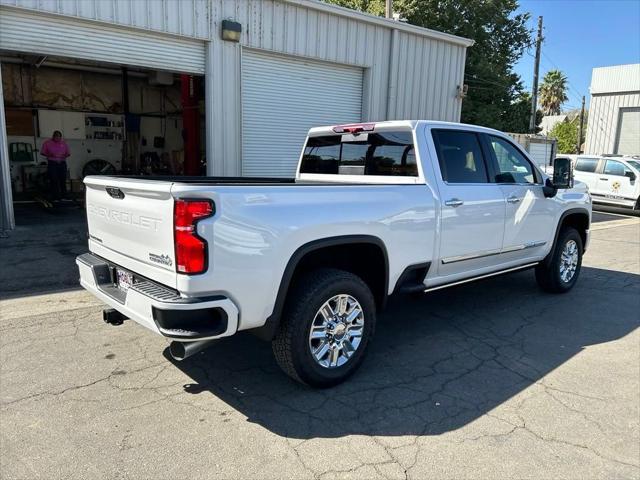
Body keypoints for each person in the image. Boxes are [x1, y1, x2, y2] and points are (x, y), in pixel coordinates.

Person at [40, 130, 71, 201]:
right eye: (56, 136)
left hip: (62, 163)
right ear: (53, 136)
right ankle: (55, 197)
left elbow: (68, 153)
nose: (58, 138)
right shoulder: (47, 143)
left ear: (61, 137)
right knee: (54, 179)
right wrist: (49, 155)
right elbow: (42, 152)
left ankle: (64, 196)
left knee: (63, 179)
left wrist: (64, 155)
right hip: (52, 163)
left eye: (59, 137)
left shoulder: (64, 143)